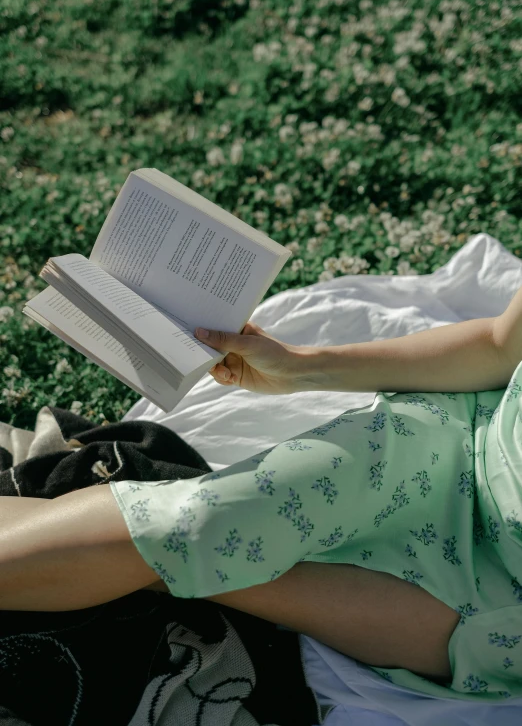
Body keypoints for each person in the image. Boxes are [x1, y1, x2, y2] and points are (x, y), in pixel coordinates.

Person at [1, 284, 522, 702]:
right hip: (448, 448)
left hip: (494, 608)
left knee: (185, 564)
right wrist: (297, 364)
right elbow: (501, 345)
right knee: (187, 528)